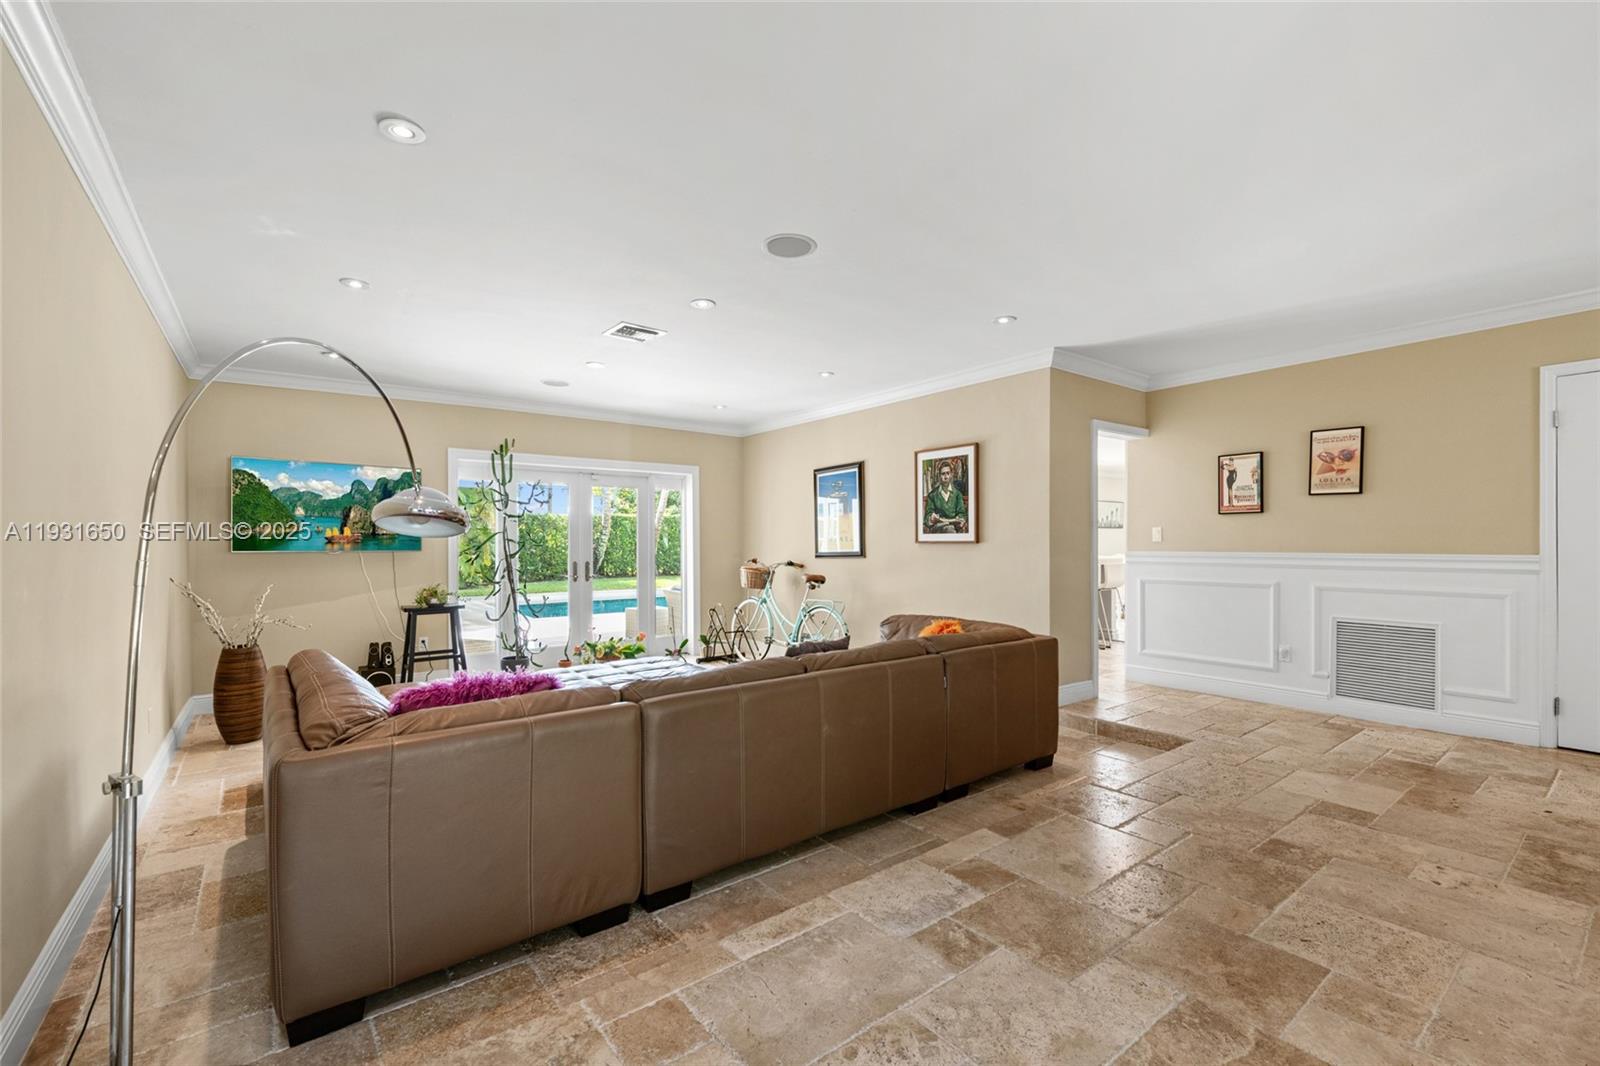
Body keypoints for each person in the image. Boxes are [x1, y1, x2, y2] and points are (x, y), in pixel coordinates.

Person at [924, 459, 968, 533]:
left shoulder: (957, 494)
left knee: (951, 529)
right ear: (939, 476)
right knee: (949, 529)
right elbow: (927, 516)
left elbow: (962, 513)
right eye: (943, 474)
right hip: (938, 527)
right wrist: (931, 517)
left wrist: (961, 519)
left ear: (951, 474)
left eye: (948, 473)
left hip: (954, 526)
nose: (946, 476)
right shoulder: (932, 495)